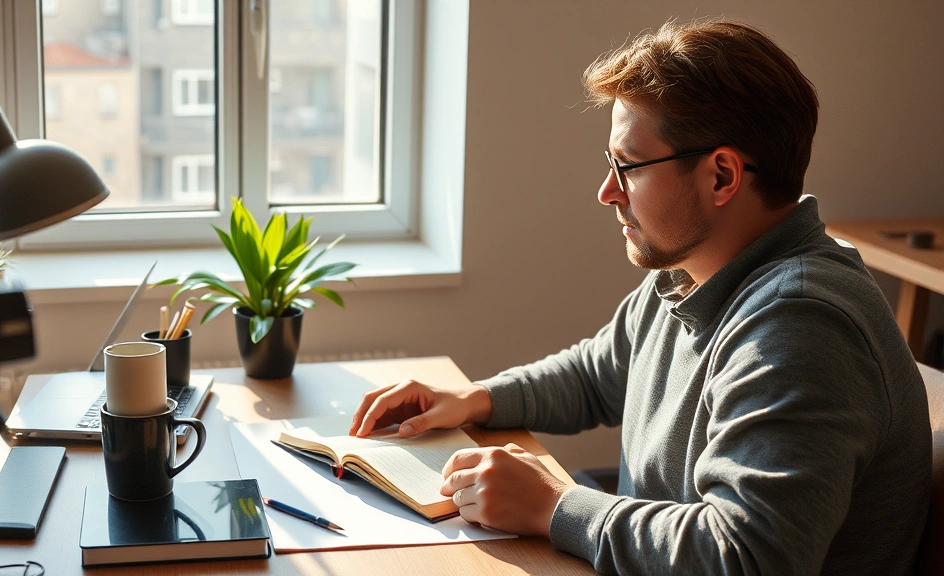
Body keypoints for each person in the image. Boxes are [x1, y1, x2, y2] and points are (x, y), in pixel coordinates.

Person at [350, 19, 931, 575]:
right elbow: (600, 373)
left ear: (723, 176)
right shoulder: (693, 272)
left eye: (628, 166)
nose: (606, 192)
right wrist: (473, 399)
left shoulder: (800, 326)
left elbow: (748, 558)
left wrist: (555, 505)